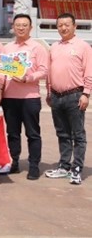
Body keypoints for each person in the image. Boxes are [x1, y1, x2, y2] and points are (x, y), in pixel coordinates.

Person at [45, 12, 92, 184]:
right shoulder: (54, 47)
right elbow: (50, 72)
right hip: (57, 97)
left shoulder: (83, 47)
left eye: (67, 24)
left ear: (75, 26)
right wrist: (49, 92)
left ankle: (77, 168)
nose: (63, 28)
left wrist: (86, 93)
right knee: (62, 133)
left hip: (75, 95)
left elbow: (89, 72)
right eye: (60, 25)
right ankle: (64, 166)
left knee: (78, 134)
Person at [1, 13, 48, 179]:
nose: (20, 28)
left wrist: (28, 78)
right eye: (18, 25)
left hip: (30, 97)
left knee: (32, 133)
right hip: (10, 97)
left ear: (30, 28)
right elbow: (2, 72)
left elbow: (44, 70)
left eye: (24, 25)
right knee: (13, 133)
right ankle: (13, 162)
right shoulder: (7, 48)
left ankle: (34, 165)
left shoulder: (37, 48)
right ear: (13, 27)